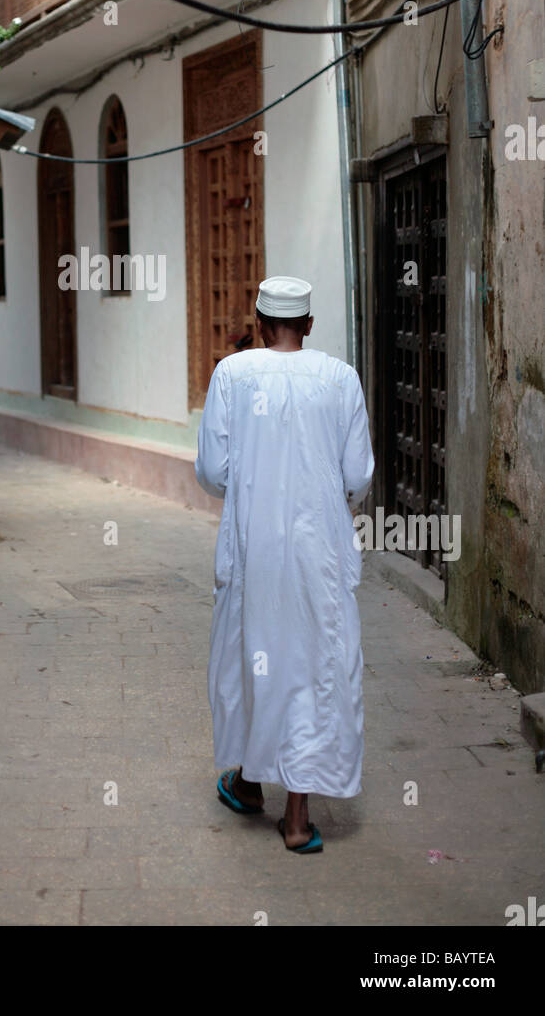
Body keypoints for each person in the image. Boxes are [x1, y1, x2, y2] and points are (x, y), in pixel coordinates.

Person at [194, 275, 374, 854]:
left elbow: (212, 471)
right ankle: (290, 814)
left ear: (258, 321)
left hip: (254, 547)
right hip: (319, 550)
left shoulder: (233, 374)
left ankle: (249, 783)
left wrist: (257, 484)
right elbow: (358, 477)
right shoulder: (340, 378)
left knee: (254, 656)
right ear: (311, 325)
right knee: (313, 662)